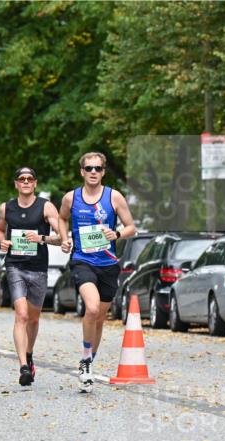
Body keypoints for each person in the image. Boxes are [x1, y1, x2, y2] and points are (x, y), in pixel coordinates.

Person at [58, 152, 138, 393]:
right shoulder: (71, 198)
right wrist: (64, 238)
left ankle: (90, 362)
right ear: (82, 171)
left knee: (100, 317)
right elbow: (61, 219)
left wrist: (118, 234)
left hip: (108, 264)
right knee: (91, 308)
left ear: (103, 172)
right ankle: (85, 360)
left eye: (98, 168)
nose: (93, 172)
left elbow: (132, 226)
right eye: (89, 168)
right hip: (82, 261)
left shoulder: (113, 197)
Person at [0, 167, 67, 386]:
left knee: (34, 318)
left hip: (38, 268)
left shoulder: (45, 206)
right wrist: (2, 242)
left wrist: (42, 238)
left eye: (29, 179)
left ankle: (29, 353)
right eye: (21, 179)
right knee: (22, 315)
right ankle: (23, 367)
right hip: (15, 266)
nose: (25, 182)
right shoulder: (6, 208)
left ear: (35, 183)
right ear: (16, 183)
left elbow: (60, 237)